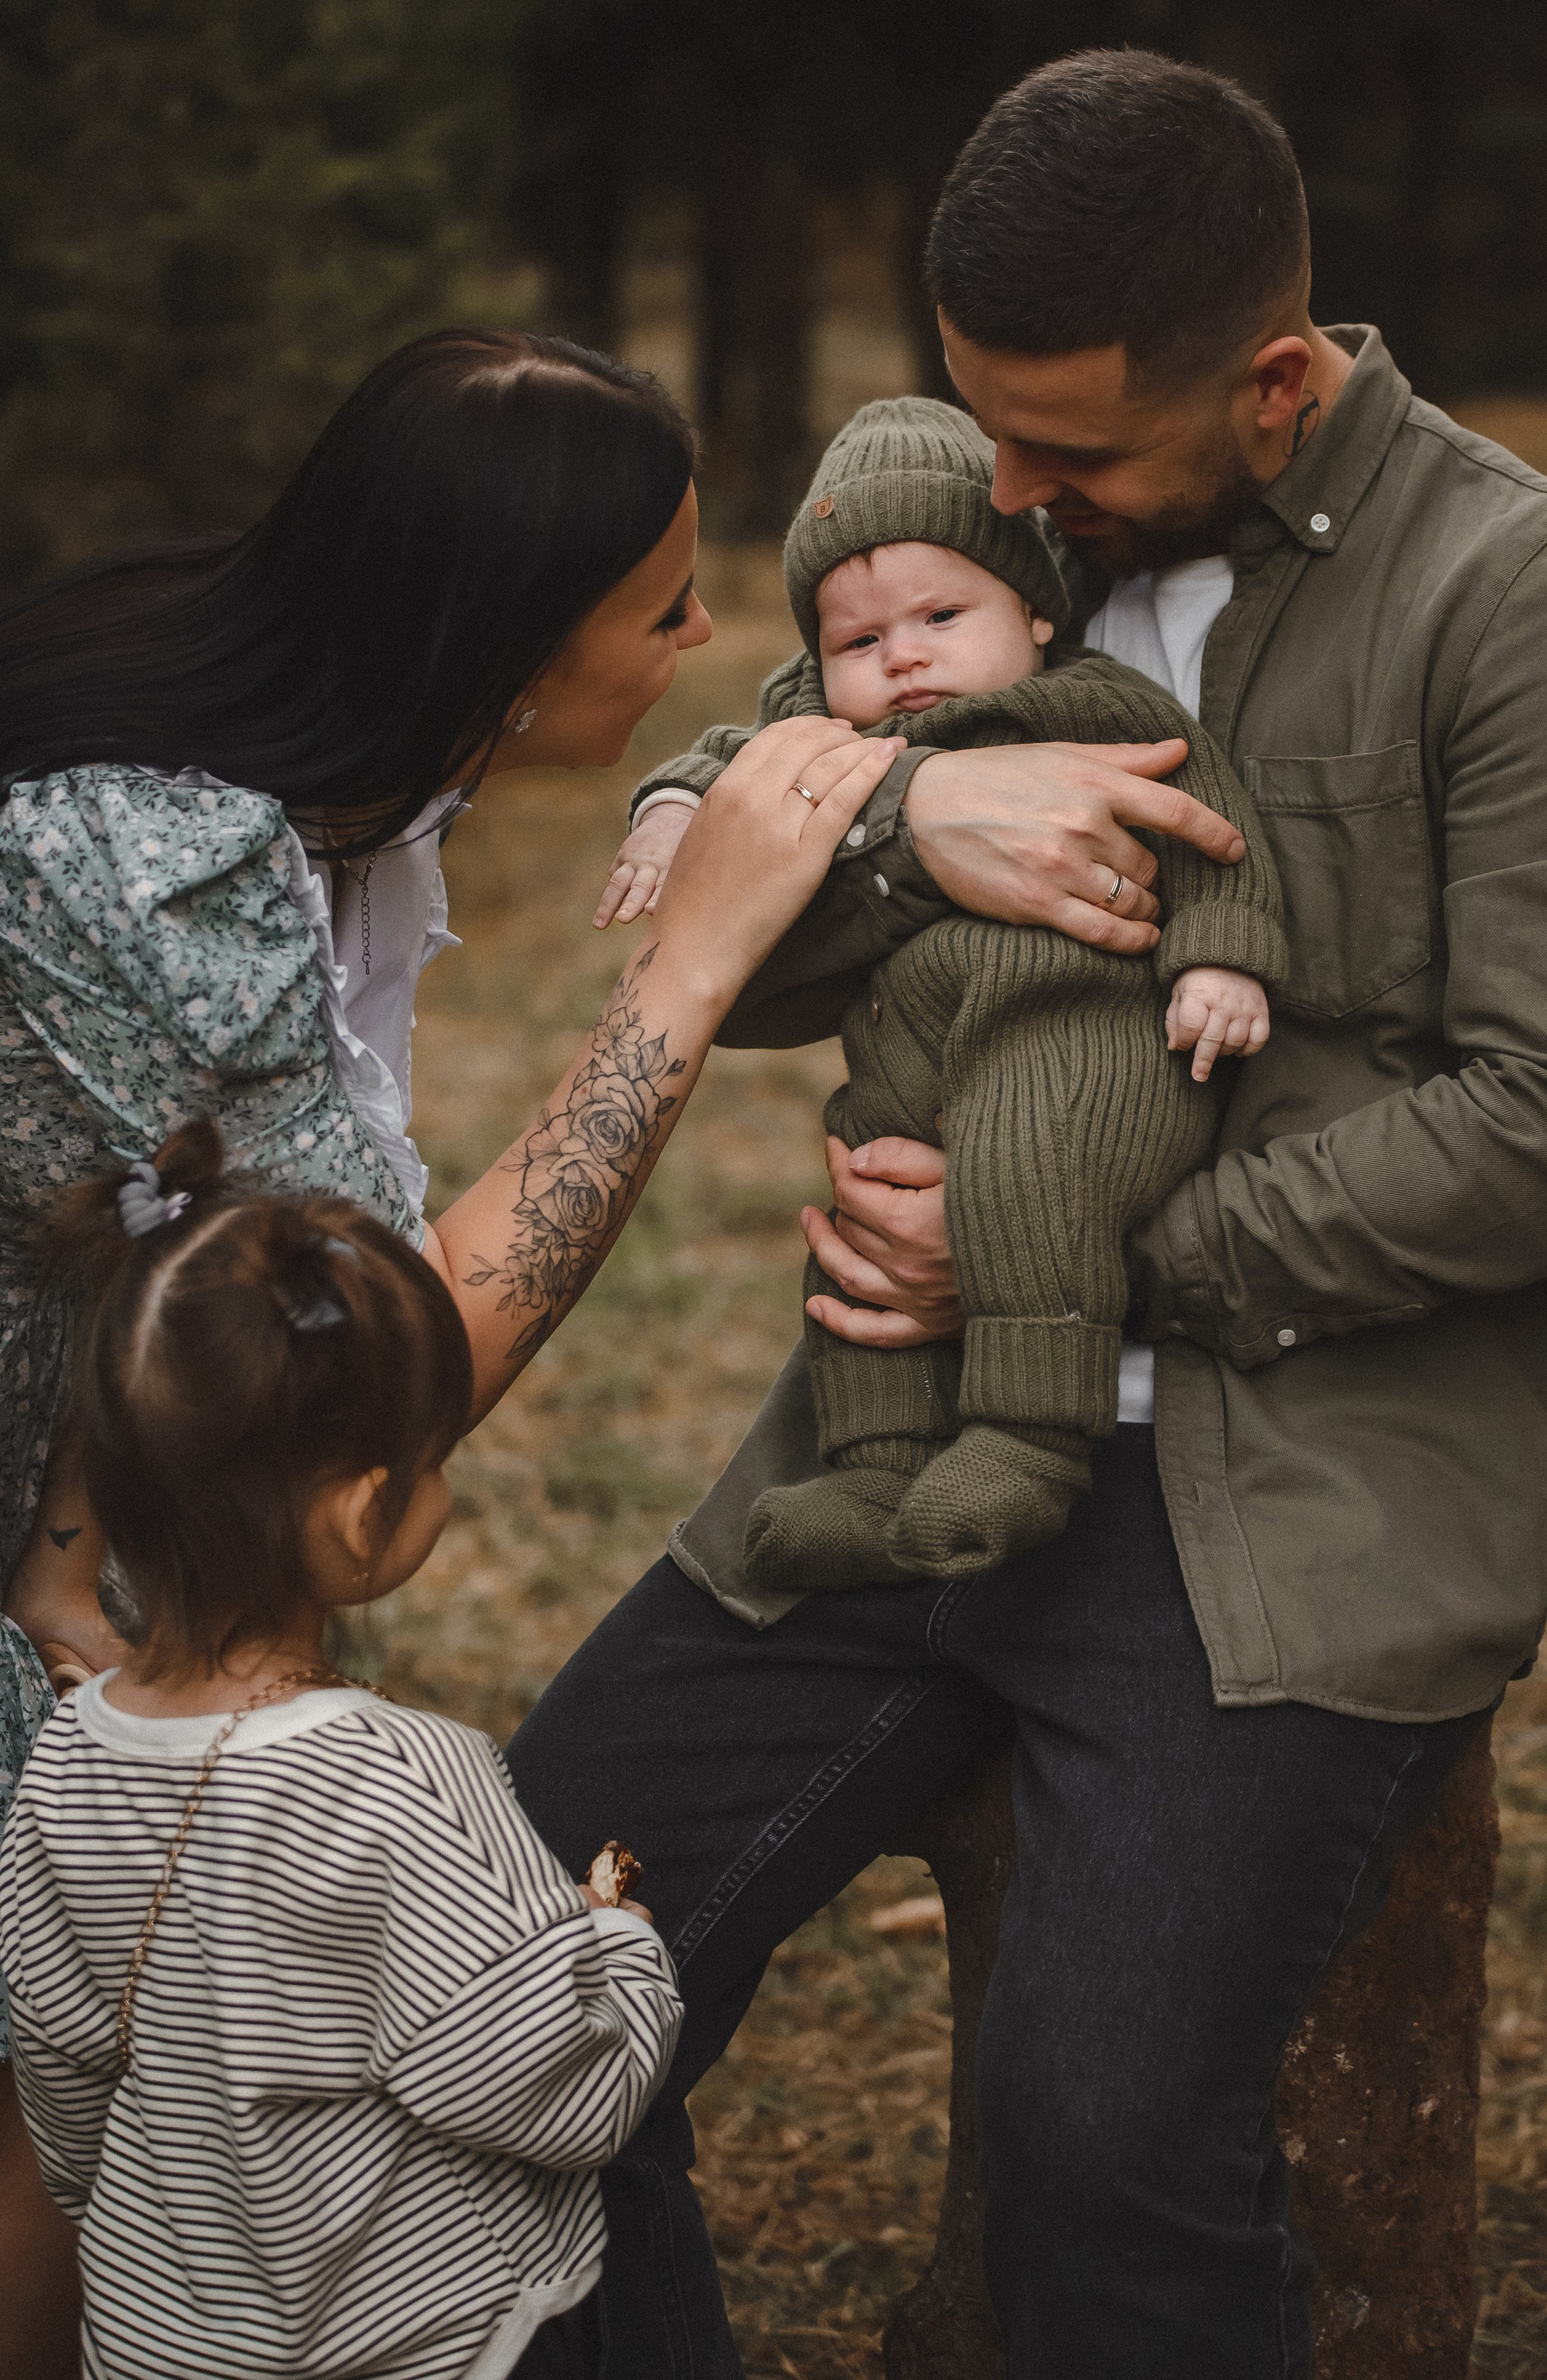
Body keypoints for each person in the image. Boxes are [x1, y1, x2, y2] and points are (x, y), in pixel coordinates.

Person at [506, 53, 1547, 2379]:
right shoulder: (989, 546)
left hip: (1281, 1500)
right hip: (889, 1450)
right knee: (497, 1985)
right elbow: (730, 905)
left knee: (1096, 2148)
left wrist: (1070, 1260)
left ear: (1275, 381)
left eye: (1067, 458)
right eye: (990, 435)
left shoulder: (1525, 593)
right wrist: (905, 830)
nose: (1014, 497)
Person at [0, 324, 1022, 2372]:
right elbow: (373, 1361)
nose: (707, 632)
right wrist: (695, 965)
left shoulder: (341, 753)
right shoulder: (148, 870)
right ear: (511, 653)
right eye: (663, 608)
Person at [0, 1117, 682, 2380]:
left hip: (168, 2345)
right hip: (422, 2342)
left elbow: (61, 2080)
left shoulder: (62, 1763)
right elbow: (554, 2090)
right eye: (433, 1463)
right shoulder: (408, 1781)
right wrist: (616, 1947)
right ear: (363, 1513)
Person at [601, 394, 1284, 1590]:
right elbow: (718, 766)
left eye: (939, 615)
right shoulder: (822, 733)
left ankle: (1031, 1438)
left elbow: (1208, 820)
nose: (902, 655)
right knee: (862, 1198)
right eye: (858, 641)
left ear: (1031, 607)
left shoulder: (1090, 703)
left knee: (1028, 1171)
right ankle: (875, 1465)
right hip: (919, 1057)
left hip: (1082, 1044)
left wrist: (1222, 956)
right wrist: (667, 818)